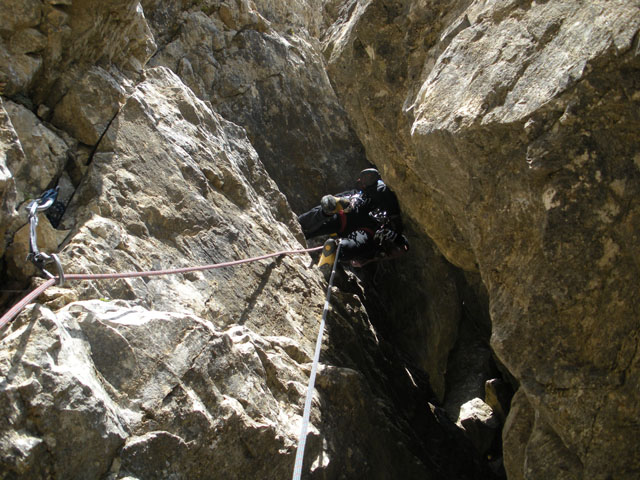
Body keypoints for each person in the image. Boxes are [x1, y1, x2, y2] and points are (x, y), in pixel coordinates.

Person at [298, 168, 409, 278]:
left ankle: (314, 221)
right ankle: (336, 250)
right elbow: (403, 246)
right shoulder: (388, 210)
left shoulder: (360, 194)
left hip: (354, 213)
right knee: (356, 243)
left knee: (332, 212)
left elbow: (402, 246)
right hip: (370, 226)